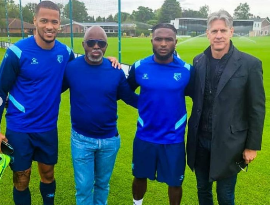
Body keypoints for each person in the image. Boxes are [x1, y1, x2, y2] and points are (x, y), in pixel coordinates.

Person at [0, 1, 75, 204]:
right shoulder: (17, 52)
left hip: (47, 129)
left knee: (48, 174)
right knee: (22, 178)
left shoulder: (65, 53)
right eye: (44, 20)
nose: (49, 26)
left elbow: (80, 73)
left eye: (54, 21)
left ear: (59, 24)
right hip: (20, 129)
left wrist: (108, 60)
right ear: (35, 20)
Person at [186, 10, 265, 205]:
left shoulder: (250, 64)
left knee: (225, 195)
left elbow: (257, 108)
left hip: (230, 143)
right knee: (202, 190)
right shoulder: (199, 61)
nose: (218, 35)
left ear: (231, 31)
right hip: (200, 140)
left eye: (223, 30)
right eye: (214, 31)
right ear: (207, 34)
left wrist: (252, 146)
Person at [62, 26, 138, 205]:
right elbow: (51, 91)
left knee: (103, 185)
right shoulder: (71, 68)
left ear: (106, 46)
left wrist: (157, 104)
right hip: (81, 141)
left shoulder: (115, 70)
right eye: (91, 42)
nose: (96, 46)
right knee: (83, 188)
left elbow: (129, 98)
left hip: (109, 141)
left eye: (101, 43)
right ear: (84, 44)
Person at [127, 23, 193, 205]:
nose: (163, 43)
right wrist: (142, 105)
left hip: (173, 138)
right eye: (158, 39)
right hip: (145, 135)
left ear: (175, 42)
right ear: (152, 41)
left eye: (168, 39)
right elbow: (125, 91)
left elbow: (197, 97)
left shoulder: (186, 71)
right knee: (140, 176)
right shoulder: (139, 67)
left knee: (175, 182)